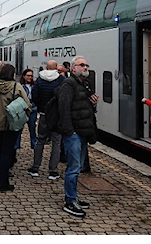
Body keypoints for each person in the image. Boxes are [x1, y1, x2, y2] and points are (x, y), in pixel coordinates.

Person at [58, 56, 97, 217]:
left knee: (78, 167)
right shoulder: (68, 84)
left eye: (86, 64)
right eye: (82, 65)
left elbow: (81, 106)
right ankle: (69, 201)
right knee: (73, 168)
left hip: (82, 132)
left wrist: (92, 103)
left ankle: (74, 197)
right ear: (73, 68)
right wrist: (70, 131)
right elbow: (64, 107)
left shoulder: (84, 84)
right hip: (74, 133)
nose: (85, 67)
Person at [0, 64, 32, 192]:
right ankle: (3, 182)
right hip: (10, 125)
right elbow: (27, 105)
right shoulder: (17, 87)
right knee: (6, 153)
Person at [28, 60, 65, 180]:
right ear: (56, 68)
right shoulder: (61, 80)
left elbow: (35, 95)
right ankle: (53, 171)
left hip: (44, 114)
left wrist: (40, 107)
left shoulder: (40, 79)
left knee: (40, 140)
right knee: (56, 143)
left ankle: (35, 168)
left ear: (46, 68)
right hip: (56, 116)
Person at [15, 69, 38, 152]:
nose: (30, 77)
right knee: (19, 129)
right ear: (24, 76)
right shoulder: (20, 86)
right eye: (28, 75)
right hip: (23, 109)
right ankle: (16, 145)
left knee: (32, 128)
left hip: (33, 109)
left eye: (31, 76)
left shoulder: (34, 85)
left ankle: (34, 144)